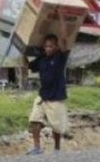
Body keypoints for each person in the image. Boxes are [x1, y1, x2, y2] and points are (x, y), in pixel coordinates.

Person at [24, 27, 70, 155]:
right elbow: (28, 65)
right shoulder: (41, 59)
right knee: (34, 119)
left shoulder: (60, 57)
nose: (48, 49)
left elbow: (65, 40)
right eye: (46, 46)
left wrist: (60, 15)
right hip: (42, 96)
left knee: (56, 126)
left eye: (50, 46)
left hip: (56, 96)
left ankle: (56, 148)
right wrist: (23, 52)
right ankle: (37, 148)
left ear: (56, 47)